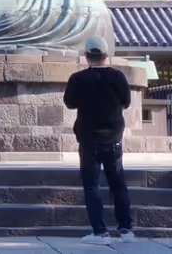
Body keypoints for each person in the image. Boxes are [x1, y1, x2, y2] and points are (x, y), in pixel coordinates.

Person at [64, 36, 134, 244]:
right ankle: (126, 228)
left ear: (86, 56)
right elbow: (127, 102)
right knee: (118, 183)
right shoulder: (118, 77)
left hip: (89, 139)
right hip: (113, 138)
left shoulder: (78, 79)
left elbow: (70, 102)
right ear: (106, 55)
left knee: (92, 186)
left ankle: (100, 232)